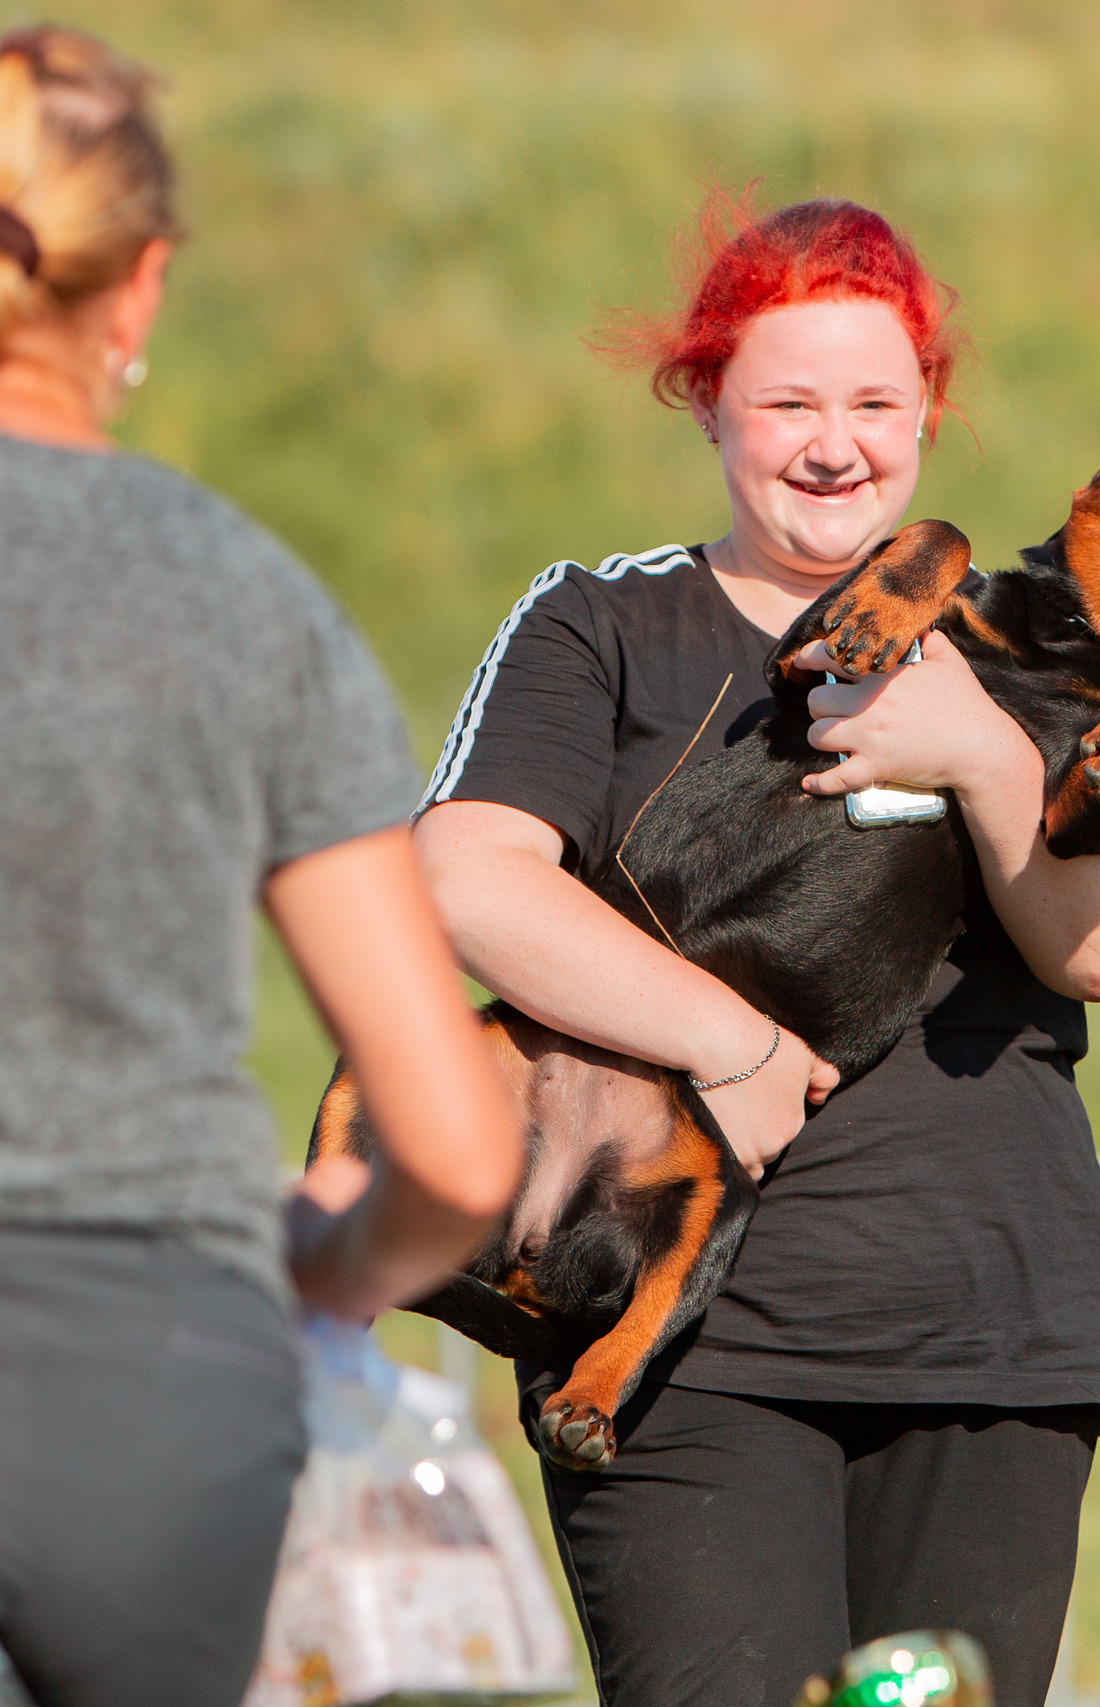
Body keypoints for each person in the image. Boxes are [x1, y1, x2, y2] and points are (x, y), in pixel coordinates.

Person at [411, 194, 1100, 1706]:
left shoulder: (1051, 645)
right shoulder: (602, 624)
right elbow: (468, 877)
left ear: (929, 409)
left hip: (996, 1337)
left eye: (876, 402)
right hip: (686, 1340)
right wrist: (731, 1042)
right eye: (788, 403)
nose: (836, 445)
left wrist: (983, 751)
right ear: (709, 406)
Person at [0, 26, 523, 1707]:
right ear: (137, 290)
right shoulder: (235, 594)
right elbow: (450, 1141)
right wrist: (322, 1265)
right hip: (154, 1384)